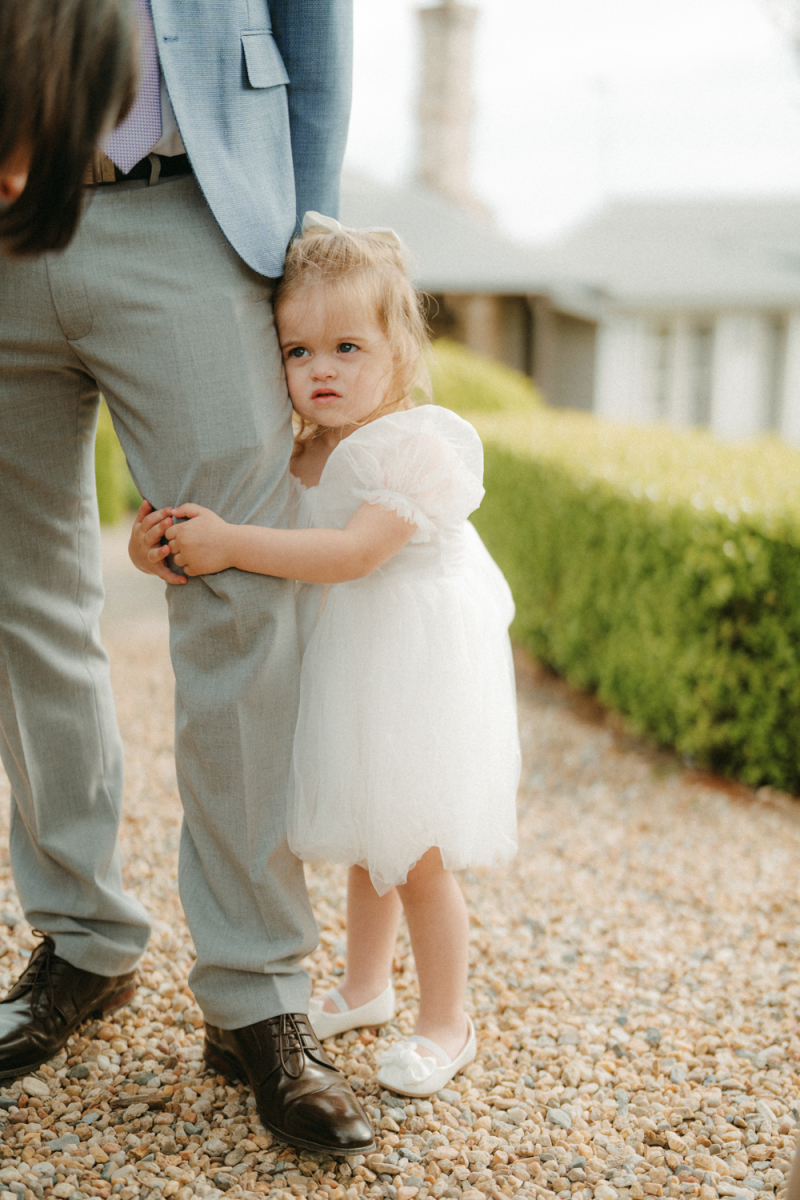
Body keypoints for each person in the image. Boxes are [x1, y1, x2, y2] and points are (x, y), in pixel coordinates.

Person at [0, 0, 374, 1156]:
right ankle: (83, 938)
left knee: (239, 594)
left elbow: (311, 27)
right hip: (6, 210)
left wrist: (295, 242)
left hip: (198, 213)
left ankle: (259, 988)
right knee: (21, 599)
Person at [130, 214, 522, 1097]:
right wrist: (155, 544)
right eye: (298, 351)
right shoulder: (299, 450)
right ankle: (363, 987)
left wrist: (229, 543)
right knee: (362, 830)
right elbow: (247, 529)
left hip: (414, 662)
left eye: (347, 346)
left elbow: (348, 557)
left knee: (413, 846)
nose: (321, 370)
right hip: (355, 658)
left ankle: (446, 1022)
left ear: (400, 348)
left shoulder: (414, 444)